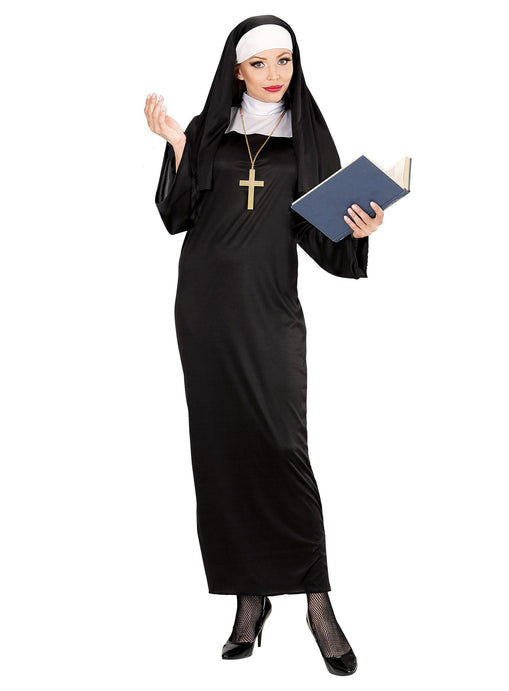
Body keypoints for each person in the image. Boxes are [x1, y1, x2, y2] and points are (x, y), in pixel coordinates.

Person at [144, 15, 384, 676]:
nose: (275, 74)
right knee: (221, 449)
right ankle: (248, 601)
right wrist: (177, 143)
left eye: (285, 60)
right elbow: (177, 216)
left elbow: (325, 239)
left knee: (282, 448)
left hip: (271, 309)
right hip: (204, 308)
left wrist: (358, 228)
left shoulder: (306, 134)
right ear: (237, 70)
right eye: (260, 63)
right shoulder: (209, 128)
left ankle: (317, 602)